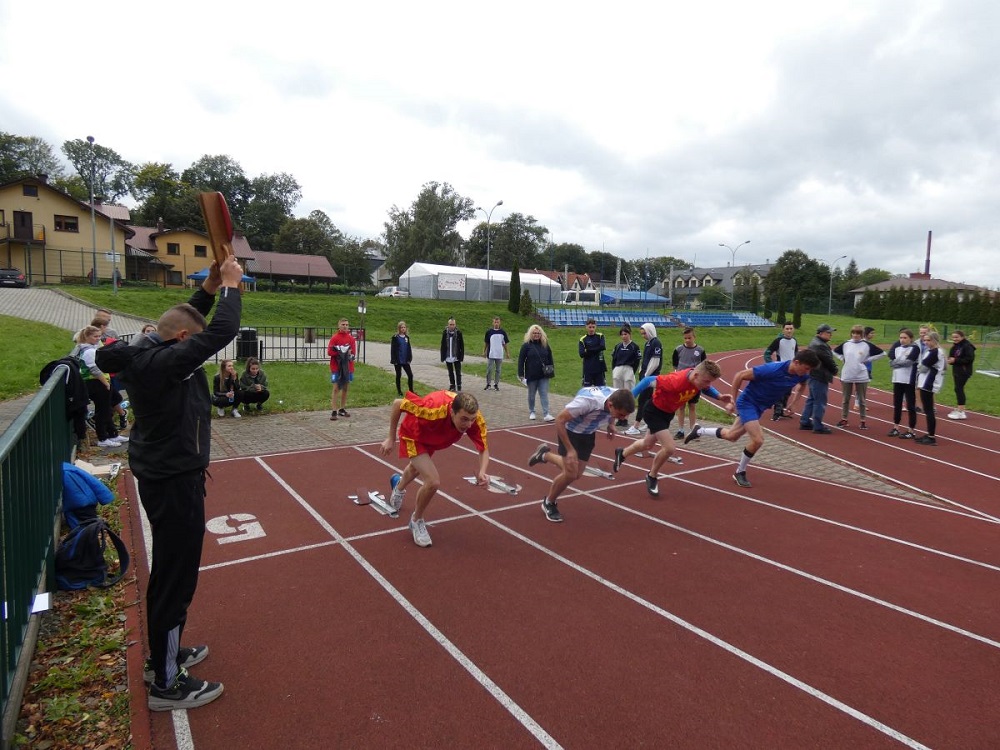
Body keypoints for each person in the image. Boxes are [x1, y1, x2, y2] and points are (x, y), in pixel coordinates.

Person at [96, 255, 244, 711]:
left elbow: (189, 318)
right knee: (175, 578)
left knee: (171, 574)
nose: (199, 355)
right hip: (173, 479)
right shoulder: (163, 363)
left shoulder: (149, 350)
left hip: (168, 474)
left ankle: (163, 654)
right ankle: (165, 682)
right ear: (180, 341)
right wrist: (234, 288)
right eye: (191, 346)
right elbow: (219, 332)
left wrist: (211, 286)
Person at [686, 349, 820, 488]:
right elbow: (740, 375)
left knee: (732, 436)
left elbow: (803, 385)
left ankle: (699, 430)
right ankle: (740, 472)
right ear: (797, 362)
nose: (807, 372)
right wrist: (733, 401)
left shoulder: (800, 374)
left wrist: (794, 403)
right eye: (806, 368)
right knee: (758, 439)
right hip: (748, 404)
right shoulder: (772, 369)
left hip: (760, 407)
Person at [379, 390, 489, 547]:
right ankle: (416, 520)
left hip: (433, 436)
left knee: (416, 468)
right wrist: (391, 437)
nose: (469, 425)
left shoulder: (474, 419)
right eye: (464, 419)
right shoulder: (432, 408)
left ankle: (398, 487)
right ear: (452, 412)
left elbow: (483, 448)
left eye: (471, 420)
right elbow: (398, 404)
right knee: (432, 481)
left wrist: (482, 471)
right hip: (414, 433)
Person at [614, 361, 733, 497]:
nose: (707, 385)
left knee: (647, 444)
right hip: (654, 412)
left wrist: (719, 396)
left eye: (710, 382)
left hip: (668, 413)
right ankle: (652, 476)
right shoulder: (675, 381)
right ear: (696, 376)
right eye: (706, 381)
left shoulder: (698, 379)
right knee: (670, 448)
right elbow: (648, 381)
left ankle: (622, 453)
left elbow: (705, 388)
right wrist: (629, 398)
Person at [528, 387, 635, 522]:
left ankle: (545, 455)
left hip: (588, 433)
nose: (623, 418)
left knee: (577, 473)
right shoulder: (586, 403)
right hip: (570, 431)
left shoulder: (618, 396)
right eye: (620, 415)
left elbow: (614, 411)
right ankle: (549, 502)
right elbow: (559, 420)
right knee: (570, 474)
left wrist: (611, 423)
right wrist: (570, 449)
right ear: (610, 405)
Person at [70, 326, 124, 448]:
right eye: (95, 336)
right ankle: (102, 437)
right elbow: (94, 370)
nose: (98, 339)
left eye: (99, 336)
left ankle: (113, 433)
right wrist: (105, 383)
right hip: (95, 382)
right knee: (103, 409)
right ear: (87, 336)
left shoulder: (92, 348)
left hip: (101, 381)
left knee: (110, 405)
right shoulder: (89, 351)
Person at [833, 324, 885, 430]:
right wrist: (842, 358)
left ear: (862, 334)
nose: (855, 335)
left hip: (861, 375)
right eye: (853, 333)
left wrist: (868, 360)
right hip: (847, 374)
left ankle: (862, 421)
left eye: (858, 333)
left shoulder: (866, 345)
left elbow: (883, 353)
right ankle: (844, 419)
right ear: (851, 333)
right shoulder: (846, 344)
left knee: (861, 400)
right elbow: (834, 351)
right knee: (845, 399)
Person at [799, 324, 838, 434]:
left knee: (811, 399)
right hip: (820, 375)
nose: (831, 335)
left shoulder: (815, 342)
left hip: (814, 375)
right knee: (820, 401)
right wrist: (835, 369)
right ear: (821, 333)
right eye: (828, 332)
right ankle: (818, 426)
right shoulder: (820, 345)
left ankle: (805, 421)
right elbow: (827, 360)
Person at [625, 323, 662, 436]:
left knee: (642, 400)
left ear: (650, 331)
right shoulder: (648, 343)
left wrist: (646, 375)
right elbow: (645, 360)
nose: (643, 335)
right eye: (642, 334)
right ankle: (649, 422)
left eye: (645, 333)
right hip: (645, 375)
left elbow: (655, 362)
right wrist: (641, 371)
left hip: (650, 377)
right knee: (648, 400)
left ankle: (636, 425)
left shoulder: (656, 343)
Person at [672, 327, 707, 438]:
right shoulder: (678, 349)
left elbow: (703, 365)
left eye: (689, 338)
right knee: (681, 406)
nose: (687, 340)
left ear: (694, 337)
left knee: (692, 406)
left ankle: (693, 430)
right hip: (682, 382)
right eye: (685, 338)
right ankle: (681, 430)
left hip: (694, 383)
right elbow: (675, 365)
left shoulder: (700, 351)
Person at [886, 328, 920, 439]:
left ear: (911, 338)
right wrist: (898, 363)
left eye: (905, 338)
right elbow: (891, 362)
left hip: (909, 380)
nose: (902, 340)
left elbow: (908, 362)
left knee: (910, 405)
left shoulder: (915, 348)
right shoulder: (897, 348)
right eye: (901, 337)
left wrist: (897, 363)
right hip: (897, 379)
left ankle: (911, 429)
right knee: (897, 404)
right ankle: (896, 427)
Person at [517, 324, 556, 421]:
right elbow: (521, 360)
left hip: (543, 375)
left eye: (538, 333)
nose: (536, 335)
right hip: (531, 374)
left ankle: (546, 413)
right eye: (534, 333)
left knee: (544, 393)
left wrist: (551, 369)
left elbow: (550, 358)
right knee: (531, 394)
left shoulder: (545, 344)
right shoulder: (526, 346)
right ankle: (532, 411)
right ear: (530, 334)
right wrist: (521, 375)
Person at [915, 331, 946, 445]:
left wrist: (919, 367)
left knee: (928, 410)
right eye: (925, 340)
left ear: (935, 340)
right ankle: (929, 434)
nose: (926, 342)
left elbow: (923, 368)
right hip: (925, 382)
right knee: (927, 410)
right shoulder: (932, 351)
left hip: (929, 382)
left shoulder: (935, 352)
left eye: (929, 340)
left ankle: (931, 437)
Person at [763, 322, 798, 420]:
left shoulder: (794, 341)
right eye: (787, 329)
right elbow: (767, 353)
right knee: (780, 392)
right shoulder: (779, 340)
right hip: (781, 370)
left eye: (791, 328)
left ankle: (781, 410)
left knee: (788, 392)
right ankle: (776, 413)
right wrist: (771, 365)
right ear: (783, 330)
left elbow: (796, 354)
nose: (789, 331)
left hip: (792, 370)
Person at [610, 324, 641, 428]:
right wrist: (614, 370)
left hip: (628, 369)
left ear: (630, 334)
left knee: (628, 394)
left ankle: (625, 418)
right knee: (617, 394)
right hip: (618, 369)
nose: (624, 336)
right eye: (622, 334)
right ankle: (619, 417)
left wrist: (632, 370)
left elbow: (637, 361)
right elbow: (613, 360)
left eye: (626, 334)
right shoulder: (618, 346)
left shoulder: (634, 347)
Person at [328, 318, 356, 420]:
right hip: (336, 367)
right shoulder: (334, 338)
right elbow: (330, 352)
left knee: (345, 388)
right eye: (343, 324)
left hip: (348, 367)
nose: (345, 326)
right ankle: (334, 410)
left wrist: (349, 355)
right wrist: (340, 352)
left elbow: (353, 355)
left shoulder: (351, 339)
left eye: (347, 325)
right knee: (336, 388)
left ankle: (342, 409)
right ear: (339, 326)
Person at [947, 330, 976, 420]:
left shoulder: (967, 346)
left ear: (962, 337)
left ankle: (961, 411)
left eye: (957, 337)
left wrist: (955, 360)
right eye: (953, 337)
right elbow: (952, 356)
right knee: (957, 388)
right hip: (956, 370)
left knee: (958, 388)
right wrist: (950, 360)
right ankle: (960, 409)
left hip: (964, 371)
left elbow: (969, 359)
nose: (955, 339)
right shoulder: (955, 346)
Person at [578, 318, 607, 387]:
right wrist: (597, 349)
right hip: (588, 369)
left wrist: (588, 350)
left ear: (595, 327)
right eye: (590, 327)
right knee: (587, 391)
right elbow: (581, 354)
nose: (591, 329)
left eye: (593, 327)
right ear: (586, 327)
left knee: (601, 390)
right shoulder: (583, 339)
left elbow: (602, 347)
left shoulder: (600, 336)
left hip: (599, 368)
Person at [483, 316, 510, 390]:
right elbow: (486, 343)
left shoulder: (503, 332)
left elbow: (504, 343)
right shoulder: (489, 332)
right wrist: (484, 351)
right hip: (491, 353)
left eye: (497, 322)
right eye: (495, 322)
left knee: (498, 370)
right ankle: (488, 384)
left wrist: (507, 353)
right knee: (489, 369)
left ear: (500, 323)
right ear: (493, 323)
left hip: (499, 354)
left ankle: (496, 384)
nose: (496, 324)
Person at [390, 320, 414, 397]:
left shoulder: (407, 338)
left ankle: (411, 390)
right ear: (399, 328)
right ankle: (399, 391)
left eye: (404, 327)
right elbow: (393, 349)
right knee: (398, 375)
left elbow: (409, 348)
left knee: (410, 375)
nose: (403, 329)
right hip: (398, 360)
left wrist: (409, 358)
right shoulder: (395, 337)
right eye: (401, 327)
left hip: (405, 360)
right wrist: (394, 360)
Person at [440, 317, 465, 391]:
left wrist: (461, 356)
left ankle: (459, 385)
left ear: (455, 325)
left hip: (456, 355)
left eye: (453, 324)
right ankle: (452, 385)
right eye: (450, 324)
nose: (452, 326)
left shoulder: (459, 333)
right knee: (450, 372)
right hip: (448, 355)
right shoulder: (445, 333)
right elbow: (443, 345)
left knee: (458, 372)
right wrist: (442, 356)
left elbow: (462, 345)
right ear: (448, 325)